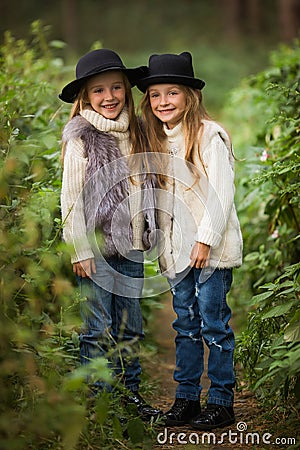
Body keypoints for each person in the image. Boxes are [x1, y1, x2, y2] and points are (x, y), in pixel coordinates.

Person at [137, 52, 243, 430]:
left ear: (190, 96)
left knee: (213, 324)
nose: (163, 102)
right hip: (175, 252)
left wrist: (206, 240)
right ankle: (186, 398)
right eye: (155, 95)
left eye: (172, 93)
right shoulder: (156, 139)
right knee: (185, 325)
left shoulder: (209, 135)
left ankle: (221, 400)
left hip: (209, 251)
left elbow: (222, 193)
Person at [59, 48, 161, 420]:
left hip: (132, 248)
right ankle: (99, 403)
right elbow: (71, 200)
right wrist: (79, 251)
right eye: (99, 90)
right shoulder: (81, 138)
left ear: (126, 91)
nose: (110, 97)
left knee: (130, 326)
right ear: (86, 97)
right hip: (96, 251)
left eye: (116, 87)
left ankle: (129, 396)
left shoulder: (136, 133)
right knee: (97, 328)